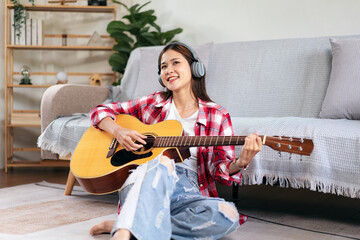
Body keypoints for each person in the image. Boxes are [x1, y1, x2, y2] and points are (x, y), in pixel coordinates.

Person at [89, 42, 262, 240]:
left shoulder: (218, 114)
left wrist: (241, 162)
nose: (168, 70)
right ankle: (131, 228)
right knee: (163, 160)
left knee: (228, 215)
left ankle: (132, 224)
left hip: (189, 193)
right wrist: (118, 131)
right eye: (163, 67)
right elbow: (99, 110)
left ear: (195, 68)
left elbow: (219, 171)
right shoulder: (152, 104)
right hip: (146, 182)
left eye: (175, 63)